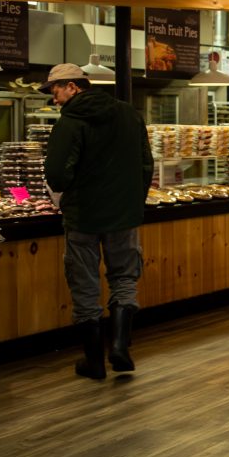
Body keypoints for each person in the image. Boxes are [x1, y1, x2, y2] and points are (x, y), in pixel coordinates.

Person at [42, 64, 153, 380]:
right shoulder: (129, 114)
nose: (54, 98)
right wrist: (133, 200)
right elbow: (147, 164)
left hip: (84, 218)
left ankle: (94, 362)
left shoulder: (70, 122)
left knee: (84, 284)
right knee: (125, 277)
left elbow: (56, 175)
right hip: (124, 216)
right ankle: (119, 346)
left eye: (55, 90)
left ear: (74, 87)